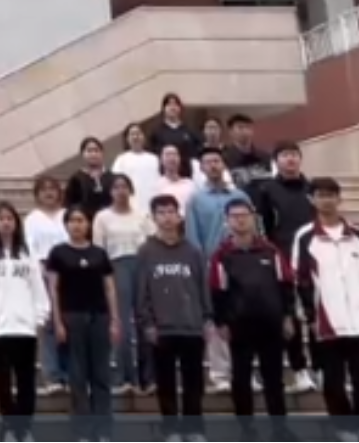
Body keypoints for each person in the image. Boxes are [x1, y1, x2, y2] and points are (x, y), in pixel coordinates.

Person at [293, 179, 359, 443]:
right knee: (333, 379)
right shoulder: (305, 237)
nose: (326, 200)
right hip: (326, 322)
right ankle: (343, 426)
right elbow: (300, 280)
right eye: (320, 195)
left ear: (339, 198)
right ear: (312, 200)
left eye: (331, 195)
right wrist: (309, 316)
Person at [210, 199, 297, 442]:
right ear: (227, 221)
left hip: (271, 324)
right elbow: (217, 291)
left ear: (253, 217)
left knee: (274, 380)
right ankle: (246, 429)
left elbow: (286, 285)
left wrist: (288, 316)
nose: (240, 220)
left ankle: (280, 429)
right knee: (241, 380)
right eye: (234, 216)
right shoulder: (222, 255)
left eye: (244, 215)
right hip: (239, 327)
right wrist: (221, 322)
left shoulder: (271, 250)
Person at [0, 202, 51, 443]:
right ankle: (8, 425)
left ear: (16, 223)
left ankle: (24, 428)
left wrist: (40, 317)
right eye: (1, 219)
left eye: (9, 218)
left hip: (25, 329)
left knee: (27, 382)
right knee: (3, 382)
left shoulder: (27, 252)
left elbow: (37, 287)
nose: (5, 223)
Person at [139, 194, 212, 443]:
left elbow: (203, 286)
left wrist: (207, 318)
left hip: (192, 326)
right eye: (161, 212)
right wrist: (147, 322)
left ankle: (194, 428)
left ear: (179, 216)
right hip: (162, 328)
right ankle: (170, 429)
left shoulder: (193, 251)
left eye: (171, 212)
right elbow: (142, 291)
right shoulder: (146, 251)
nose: (167, 217)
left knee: (194, 382)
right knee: (166, 382)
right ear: (153, 217)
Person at [48, 208, 120, 443]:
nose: (77, 225)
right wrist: (58, 321)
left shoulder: (99, 253)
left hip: (99, 317)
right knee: (77, 377)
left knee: (101, 375)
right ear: (66, 225)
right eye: (72, 221)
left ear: (88, 224)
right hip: (72, 317)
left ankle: (104, 430)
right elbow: (54, 289)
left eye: (81, 220)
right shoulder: (58, 253)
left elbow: (109, 287)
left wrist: (115, 319)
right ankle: (83, 432)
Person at [257, 146, 319, 394]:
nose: (290, 159)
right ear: (276, 161)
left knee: (315, 313)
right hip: (282, 259)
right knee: (290, 315)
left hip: (313, 259)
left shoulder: (312, 189)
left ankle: (321, 367)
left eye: (294, 155)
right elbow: (263, 226)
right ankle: (299, 369)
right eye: (285, 155)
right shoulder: (267, 190)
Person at [189, 149, 250, 392]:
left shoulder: (240, 196)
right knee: (216, 319)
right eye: (208, 162)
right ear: (202, 168)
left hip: (243, 261)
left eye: (217, 161)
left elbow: (253, 227)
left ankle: (244, 371)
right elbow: (193, 236)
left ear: (223, 165)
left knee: (243, 317)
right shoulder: (196, 199)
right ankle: (220, 373)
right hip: (213, 264)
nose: (213, 165)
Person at [95, 175, 154, 395]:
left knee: (144, 320)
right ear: (110, 192)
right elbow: (99, 248)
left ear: (131, 190)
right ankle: (123, 376)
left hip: (141, 265)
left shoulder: (141, 215)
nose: (121, 191)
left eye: (124, 187)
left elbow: (151, 242)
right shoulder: (103, 217)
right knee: (122, 324)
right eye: (116, 187)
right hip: (116, 266)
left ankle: (147, 378)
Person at [24, 177, 69, 394]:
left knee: (69, 322)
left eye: (53, 189)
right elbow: (28, 247)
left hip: (69, 271)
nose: (49, 193)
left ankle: (70, 373)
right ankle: (52, 375)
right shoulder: (32, 219)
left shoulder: (66, 215)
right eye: (44, 190)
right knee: (49, 324)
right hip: (43, 271)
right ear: (37, 194)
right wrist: (39, 269)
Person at [64, 136, 117, 223]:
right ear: (82, 154)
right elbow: (70, 205)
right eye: (89, 151)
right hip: (87, 224)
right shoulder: (76, 179)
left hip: (112, 222)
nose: (93, 154)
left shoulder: (112, 177)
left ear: (102, 153)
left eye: (96, 150)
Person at [222, 115, 273, 202]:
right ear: (230, 132)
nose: (245, 131)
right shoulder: (224, 158)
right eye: (240, 127)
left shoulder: (264, 156)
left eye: (248, 127)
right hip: (237, 204)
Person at [113, 123, 162, 209]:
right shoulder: (121, 160)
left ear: (144, 137)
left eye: (138, 133)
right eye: (132, 134)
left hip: (154, 204)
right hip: (131, 205)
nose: (136, 137)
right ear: (127, 139)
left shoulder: (154, 158)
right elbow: (116, 183)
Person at [151, 94, 199, 180]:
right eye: (169, 104)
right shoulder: (156, 131)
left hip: (186, 175)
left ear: (180, 108)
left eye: (175, 104)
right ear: (163, 109)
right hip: (164, 176)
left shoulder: (189, 130)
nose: (172, 107)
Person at [159, 146, 195, 216]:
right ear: (161, 160)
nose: (172, 158)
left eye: (175, 154)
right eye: (168, 155)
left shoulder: (190, 184)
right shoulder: (156, 185)